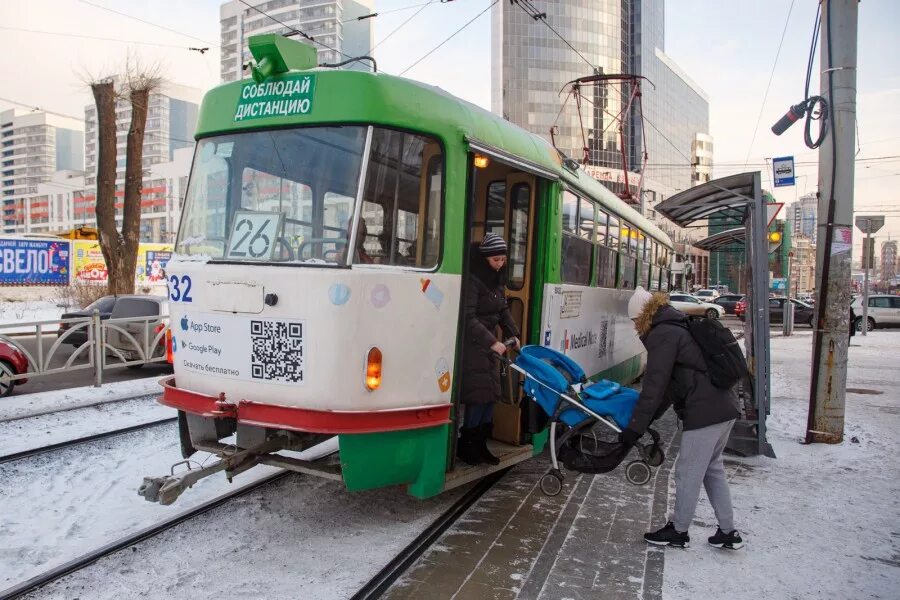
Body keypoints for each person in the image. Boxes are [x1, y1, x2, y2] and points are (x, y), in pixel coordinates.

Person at [620, 286, 744, 550]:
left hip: (705, 412)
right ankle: (728, 532)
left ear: (642, 315)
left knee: (687, 473)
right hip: (723, 407)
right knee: (712, 470)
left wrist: (634, 429)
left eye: (634, 321)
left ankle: (678, 531)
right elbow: (667, 389)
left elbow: (654, 388)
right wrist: (645, 423)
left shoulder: (663, 334)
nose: (634, 327)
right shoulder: (675, 324)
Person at [458, 232, 521, 466]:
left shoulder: (496, 281)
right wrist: (491, 341)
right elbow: (467, 317)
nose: (500, 264)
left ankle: (481, 444)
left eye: (503, 260)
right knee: (479, 397)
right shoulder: (473, 281)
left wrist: (513, 334)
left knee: (490, 397)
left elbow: (503, 310)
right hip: (474, 347)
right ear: (485, 258)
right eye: (496, 260)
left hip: (491, 348)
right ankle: (468, 446)